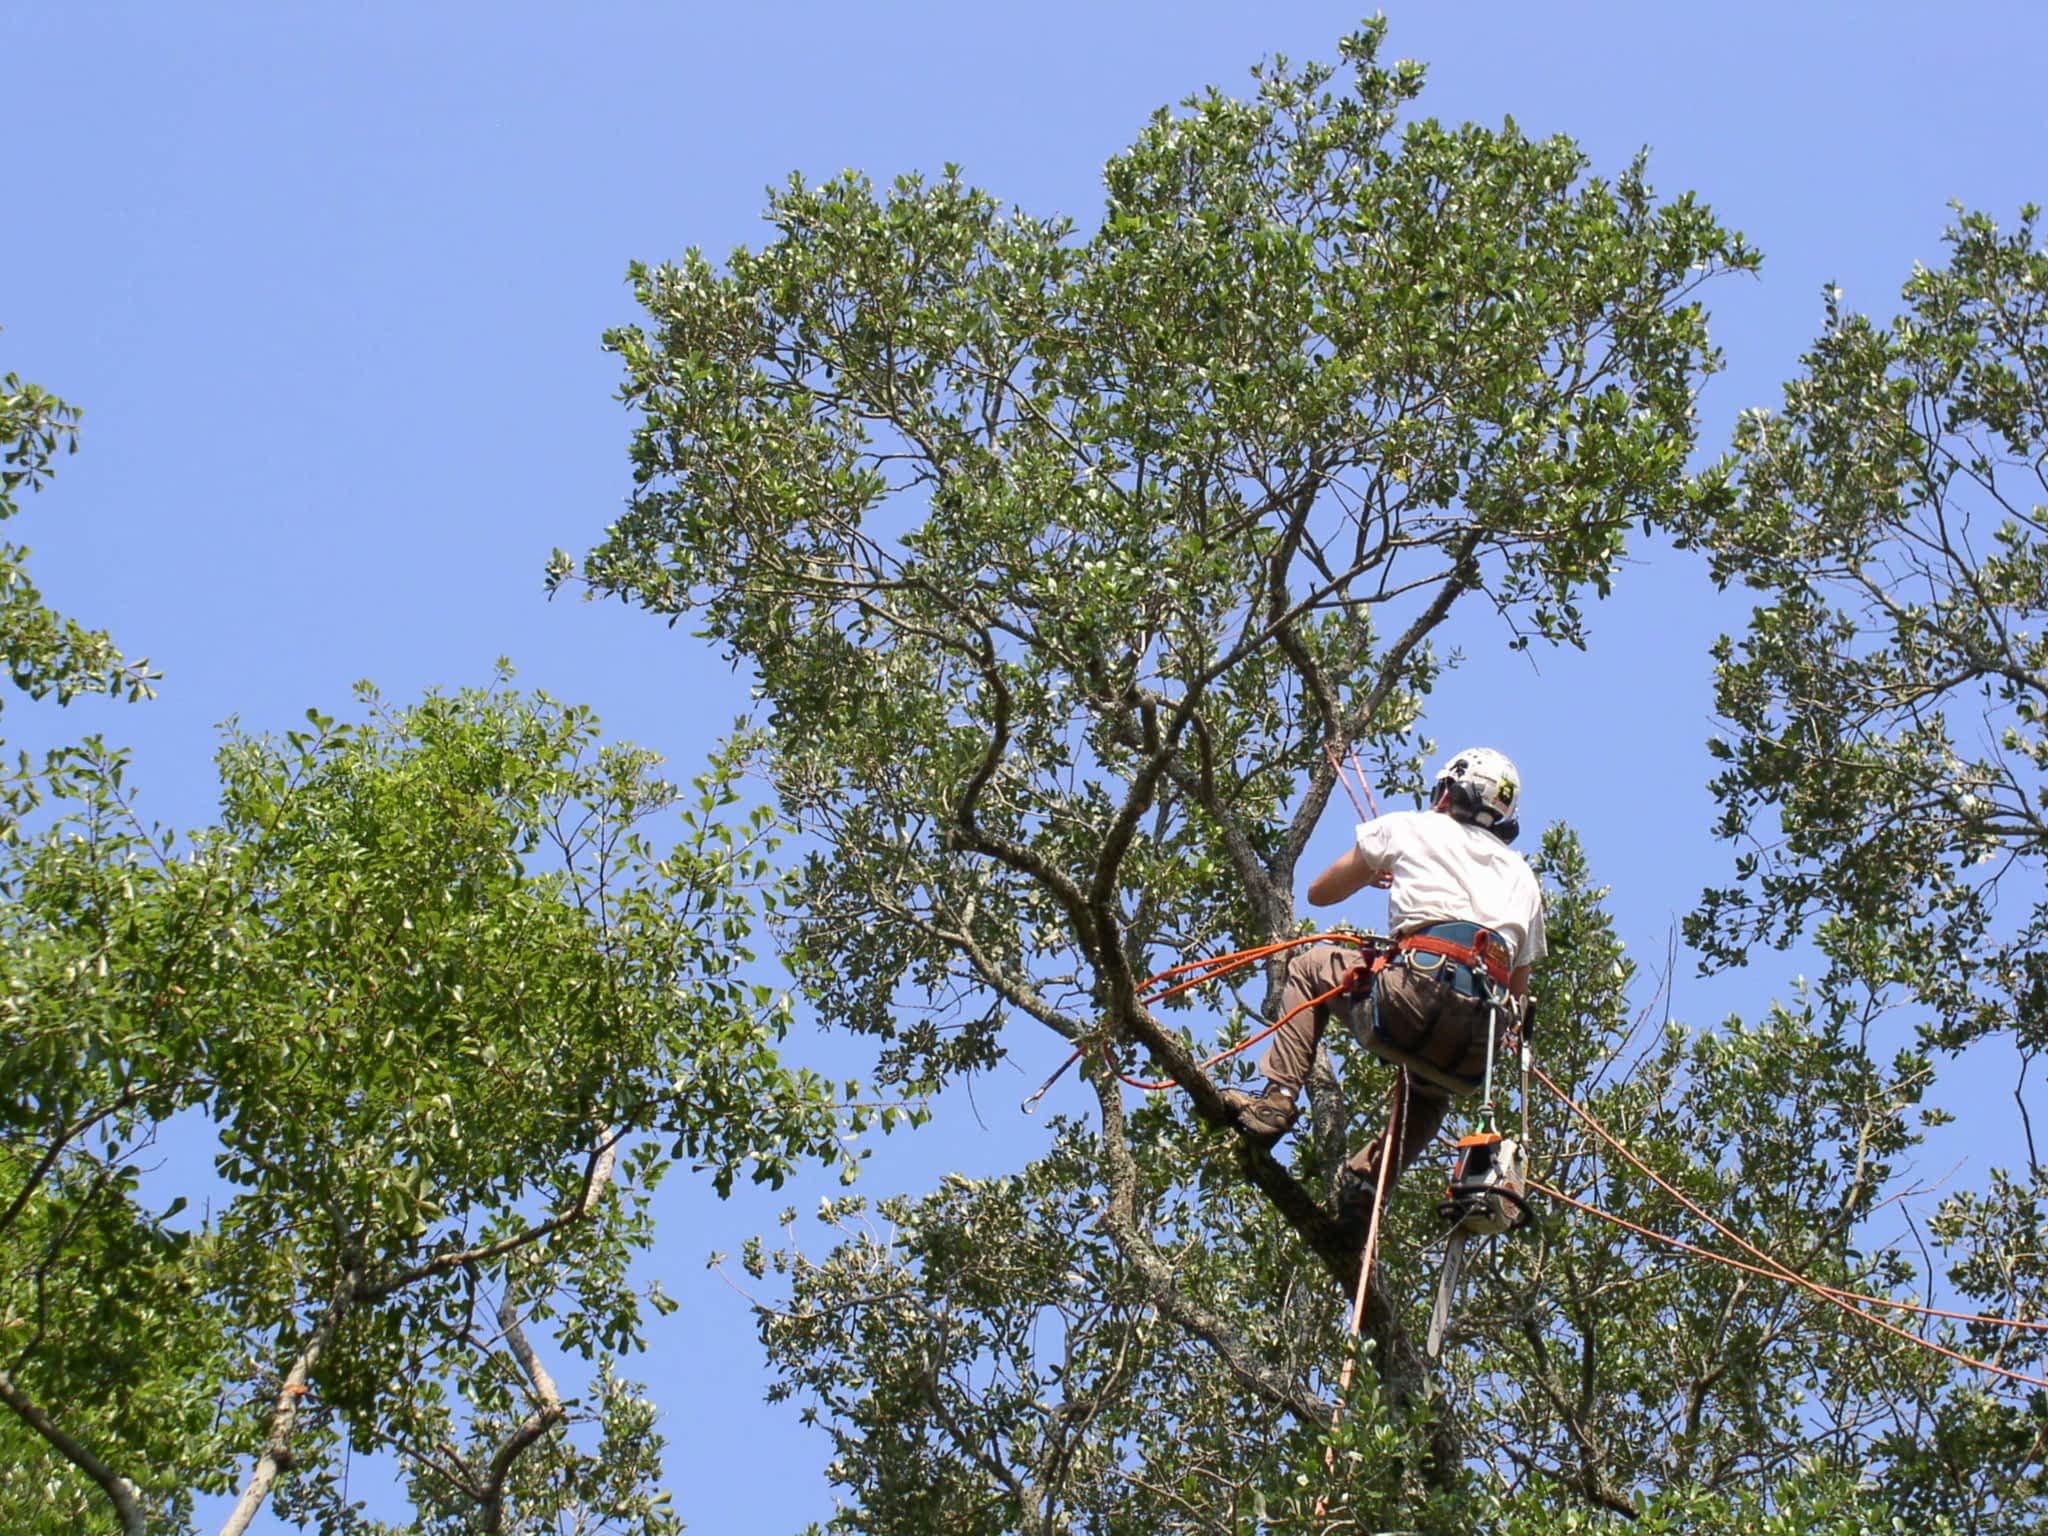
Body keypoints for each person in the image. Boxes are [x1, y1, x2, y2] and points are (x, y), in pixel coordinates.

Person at [1221, 747, 1545, 1229]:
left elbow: (1319, 892)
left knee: (1311, 965)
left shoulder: (1413, 826)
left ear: (1448, 791)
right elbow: (1516, 992)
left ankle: (1277, 1101)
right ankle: (1368, 1183)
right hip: (1477, 1043)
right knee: (1431, 1093)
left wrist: (1375, 869)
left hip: (1412, 993)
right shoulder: (1524, 879)